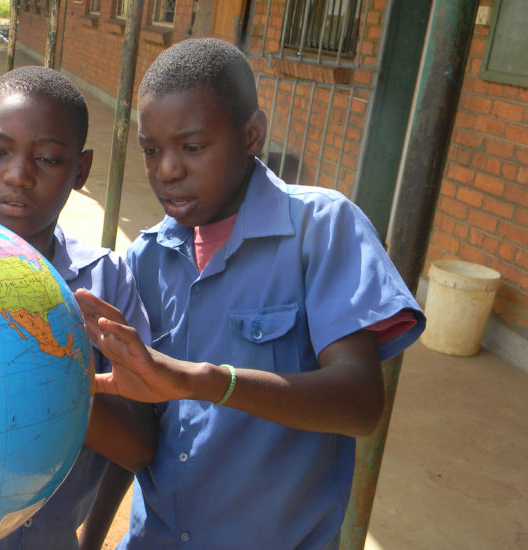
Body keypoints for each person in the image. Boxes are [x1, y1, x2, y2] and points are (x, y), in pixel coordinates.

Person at [74, 38, 425, 549]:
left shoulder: (320, 229)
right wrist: (92, 539)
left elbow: (360, 402)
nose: (166, 169)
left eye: (192, 147)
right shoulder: (145, 260)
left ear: (251, 135)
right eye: (152, 150)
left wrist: (205, 381)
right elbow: (142, 432)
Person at [0, 65, 156, 550]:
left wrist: (45, 381)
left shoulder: (105, 283)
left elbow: (137, 447)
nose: (18, 175)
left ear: (82, 171)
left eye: (48, 158)